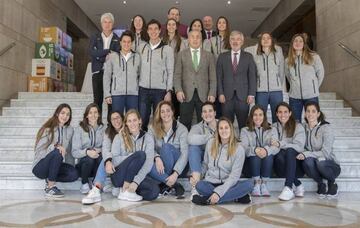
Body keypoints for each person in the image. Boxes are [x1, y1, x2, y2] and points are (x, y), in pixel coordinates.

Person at [191, 117, 253, 205]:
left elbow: (234, 176)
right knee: (199, 185)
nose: (224, 130)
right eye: (221, 128)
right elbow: (205, 164)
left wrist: (218, 193)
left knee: (249, 184)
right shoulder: (210, 143)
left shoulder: (239, 149)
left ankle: (208, 200)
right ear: (218, 130)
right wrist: (198, 177)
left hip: (228, 184)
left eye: (226, 128)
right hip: (211, 183)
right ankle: (234, 197)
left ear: (231, 129)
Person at [107, 109, 159, 201]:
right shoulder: (119, 137)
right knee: (140, 155)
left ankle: (127, 191)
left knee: (154, 191)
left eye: (135, 120)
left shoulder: (148, 138)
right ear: (126, 123)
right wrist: (132, 157)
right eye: (129, 121)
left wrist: (136, 182)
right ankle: (125, 186)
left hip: (136, 176)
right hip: (119, 176)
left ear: (140, 121)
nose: (132, 123)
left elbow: (148, 164)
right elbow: (114, 160)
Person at [32, 104, 78, 198]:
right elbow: (39, 151)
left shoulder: (70, 130)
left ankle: (49, 178)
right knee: (58, 152)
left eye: (68, 114)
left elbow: (69, 151)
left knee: (74, 174)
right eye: (63, 113)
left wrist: (70, 166)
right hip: (40, 166)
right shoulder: (48, 128)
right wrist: (56, 146)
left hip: (55, 163)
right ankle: (50, 187)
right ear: (57, 113)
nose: (65, 116)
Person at [174, 30, 216, 130]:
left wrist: (212, 93)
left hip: (204, 94)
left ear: (201, 39)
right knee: (184, 122)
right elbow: (177, 75)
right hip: (185, 94)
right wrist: (178, 90)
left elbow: (213, 77)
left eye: (198, 37)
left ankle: (205, 144)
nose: (195, 39)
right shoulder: (181, 54)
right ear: (188, 39)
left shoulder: (209, 55)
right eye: (192, 37)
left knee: (204, 123)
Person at [298, 101, 341, 198]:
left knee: (320, 161)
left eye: (313, 111)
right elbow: (300, 145)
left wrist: (307, 153)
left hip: (329, 165)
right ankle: (321, 183)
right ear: (305, 113)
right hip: (314, 163)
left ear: (318, 114)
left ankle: (332, 182)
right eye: (308, 111)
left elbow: (325, 153)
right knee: (306, 162)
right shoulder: (302, 127)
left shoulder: (326, 128)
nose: (310, 114)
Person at [138, 19, 174, 130]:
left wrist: (168, 90)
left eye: (155, 29)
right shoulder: (141, 47)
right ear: (147, 31)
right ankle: (142, 142)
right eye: (150, 29)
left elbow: (170, 70)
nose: (153, 31)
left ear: (159, 31)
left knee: (159, 119)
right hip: (143, 89)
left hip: (160, 90)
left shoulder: (167, 49)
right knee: (142, 118)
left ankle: (159, 144)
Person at [217, 30, 256, 130]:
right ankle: (228, 143)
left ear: (242, 42)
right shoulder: (222, 57)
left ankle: (242, 142)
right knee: (227, 124)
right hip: (226, 96)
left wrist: (251, 94)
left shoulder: (248, 57)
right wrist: (220, 93)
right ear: (229, 42)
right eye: (233, 39)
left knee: (243, 124)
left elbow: (252, 76)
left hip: (243, 96)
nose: (235, 41)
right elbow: (219, 76)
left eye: (238, 39)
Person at [82, 111, 123, 204]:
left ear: (122, 119)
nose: (116, 121)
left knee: (107, 158)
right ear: (110, 122)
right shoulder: (108, 132)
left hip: (124, 163)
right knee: (105, 159)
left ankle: (109, 185)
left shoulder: (128, 130)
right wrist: (108, 160)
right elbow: (105, 149)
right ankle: (96, 189)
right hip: (112, 165)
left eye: (118, 118)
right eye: (113, 119)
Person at [148, 101, 188, 197]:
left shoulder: (182, 129)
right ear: (159, 114)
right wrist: (157, 157)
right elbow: (149, 148)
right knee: (146, 162)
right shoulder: (152, 128)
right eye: (162, 111)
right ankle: (172, 184)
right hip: (159, 163)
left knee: (166, 147)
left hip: (178, 164)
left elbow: (185, 153)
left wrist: (175, 174)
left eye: (168, 111)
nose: (165, 114)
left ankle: (164, 180)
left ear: (172, 112)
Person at [244, 32, 285, 123]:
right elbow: (253, 72)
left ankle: (276, 135)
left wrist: (278, 83)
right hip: (260, 91)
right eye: (263, 38)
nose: (266, 40)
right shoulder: (255, 54)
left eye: (268, 38)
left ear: (272, 41)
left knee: (277, 116)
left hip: (276, 91)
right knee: (260, 117)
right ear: (260, 41)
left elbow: (281, 71)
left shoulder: (278, 52)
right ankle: (262, 135)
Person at [240, 105, 279, 197]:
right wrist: (255, 149)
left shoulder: (272, 129)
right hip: (250, 165)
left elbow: (276, 147)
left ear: (264, 116)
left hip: (267, 164)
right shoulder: (244, 130)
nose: (258, 117)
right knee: (255, 155)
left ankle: (264, 184)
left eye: (260, 115)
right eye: (255, 115)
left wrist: (266, 150)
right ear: (251, 116)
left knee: (268, 154)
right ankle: (256, 184)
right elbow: (243, 148)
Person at [285, 33, 324, 122]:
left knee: (313, 121)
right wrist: (293, 87)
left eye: (300, 41)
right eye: (295, 41)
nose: (298, 43)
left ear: (304, 44)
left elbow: (320, 74)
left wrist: (314, 88)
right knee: (295, 122)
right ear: (292, 44)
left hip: (311, 95)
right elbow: (288, 76)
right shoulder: (288, 60)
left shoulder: (314, 57)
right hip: (294, 97)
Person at [271, 102, 306, 201]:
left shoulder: (298, 127)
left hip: (296, 166)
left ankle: (288, 187)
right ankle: (297, 184)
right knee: (279, 154)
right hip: (281, 167)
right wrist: (281, 145)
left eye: (285, 112)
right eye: (280, 112)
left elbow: (299, 146)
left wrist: (281, 144)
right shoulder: (273, 127)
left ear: (290, 113)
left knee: (290, 151)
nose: (283, 115)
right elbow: (273, 144)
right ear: (276, 114)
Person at [103, 30, 141, 114]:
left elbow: (140, 75)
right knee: (117, 118)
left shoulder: (137, 57)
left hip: (133, 94)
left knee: (132, 118)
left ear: (132, 43)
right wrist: (107, 94)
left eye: (128, 42)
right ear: (120, 42)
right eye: (124, 41)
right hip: (117, 94)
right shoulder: (112, 57)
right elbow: (107, 76)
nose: (126, 44)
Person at [89, 13, 120, 114]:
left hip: (112, 74)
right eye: (105, 22)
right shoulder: (95, 37)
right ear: (101, 24)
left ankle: (111, 126)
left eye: (109, 22)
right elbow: (92, 52)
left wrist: (100, 54)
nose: (107, 24)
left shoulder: (117, 39)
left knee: (111, 100)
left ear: (113, 24)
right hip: (98, 71)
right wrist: (107, 52)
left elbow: (117, 55)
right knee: (97, 100)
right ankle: (98, 124)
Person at [72, 103, 105, 194]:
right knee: (90, 158)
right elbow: (74, 152)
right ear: (86, 115)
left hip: (97, 163)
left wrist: (99, 150)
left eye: (95, 112)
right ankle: (84, 183)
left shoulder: (104, 129)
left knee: (101, 157)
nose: (93, 115)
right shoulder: (79, 129)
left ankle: (96, 183)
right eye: (90, 113)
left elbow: (107, 147)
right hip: (84, 165)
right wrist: (87, 152)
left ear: (98, 114)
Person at [188, 102, 217, 195]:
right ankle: (195, 186)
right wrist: (210, 137)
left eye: (210, 111)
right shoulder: (197, 127)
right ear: (201, 115)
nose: (207, 114)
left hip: (219, 158)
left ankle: (198, 180)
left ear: (215, 113)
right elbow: (190, 139)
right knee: (193, 148)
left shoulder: (223, 125)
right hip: (203, 158)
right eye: (204, 111)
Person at [162, 18, 187, 120]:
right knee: (165, 104)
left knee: (176, 104)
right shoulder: (162, 41)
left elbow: (184, 60)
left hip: (177, 75)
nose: (171, 26)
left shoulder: (182, 41)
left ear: (176, 27)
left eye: (173, 24)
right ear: (166, 26)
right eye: (169, 24)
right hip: (164, 76)